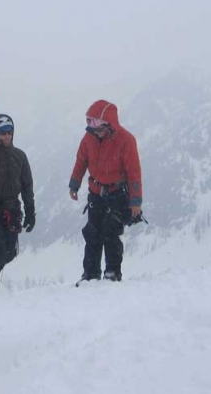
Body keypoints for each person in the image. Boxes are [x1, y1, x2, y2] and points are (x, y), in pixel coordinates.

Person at [69, 100, 142, 283]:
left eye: (100, 128)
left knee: (111, 231)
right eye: (93, 128)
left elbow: (134, 173)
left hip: (117, 193)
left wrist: (135, 202)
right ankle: (91, 274)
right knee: (93, 232)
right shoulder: (89, 139)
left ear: (110, 125)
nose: (97, 133)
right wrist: (74, 183)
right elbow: (81, 161)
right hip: (96, 191)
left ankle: (112, 273)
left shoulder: (126, 140)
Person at [0, 114, 35, 292]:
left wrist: (30, 211)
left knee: (10, 252)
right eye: (2, 133)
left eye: (9, 132)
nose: (7, 136)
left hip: (12, 210)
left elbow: (27, 185)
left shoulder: (19, 156)